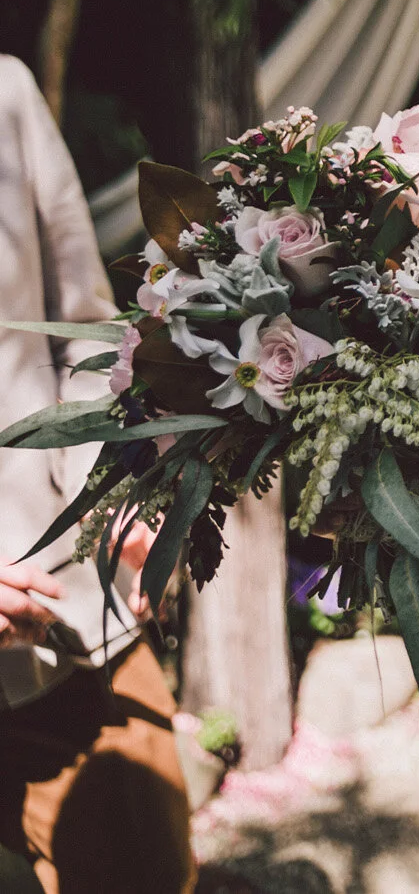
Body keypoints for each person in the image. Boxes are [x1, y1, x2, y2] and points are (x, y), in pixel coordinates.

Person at [0, 54, 195, 894]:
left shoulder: (6, 95)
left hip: (67, 631)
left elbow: (82, 335)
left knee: (145, 862)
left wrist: (105, 497)